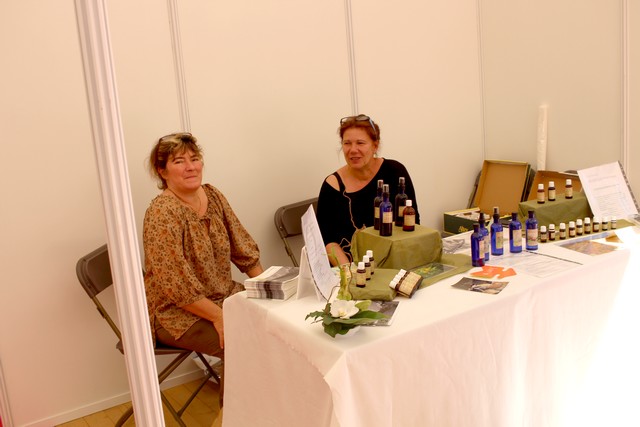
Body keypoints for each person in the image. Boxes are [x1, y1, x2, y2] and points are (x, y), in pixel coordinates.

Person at [143, 132, 263, 363]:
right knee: (239, 343)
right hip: (177, 312)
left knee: (277, 326)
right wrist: (219, 317)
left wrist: (267, 288)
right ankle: (238, 390)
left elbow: (243, 248)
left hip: (223, 296)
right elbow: (177, 288)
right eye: (179, 161)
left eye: (194, 159)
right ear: (162, 171)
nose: (190, 167)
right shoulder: (162, 213)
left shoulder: (212, 195)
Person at [316, 114, 420, 266]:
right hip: (351, 267)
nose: (353, 150)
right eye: (347, 143)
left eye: (360, 143)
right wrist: (350, 272)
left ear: (375, 145)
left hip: (396, 260)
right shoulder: (332, 185)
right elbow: (327, 240)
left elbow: (412, 221)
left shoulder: (395, 172)